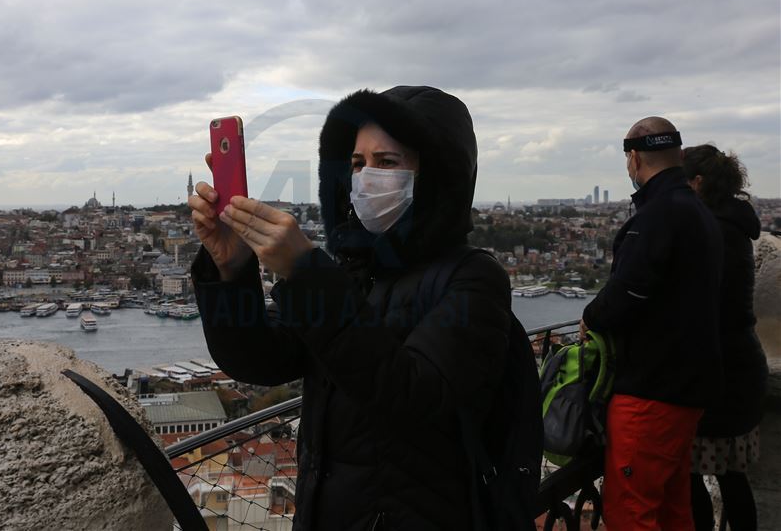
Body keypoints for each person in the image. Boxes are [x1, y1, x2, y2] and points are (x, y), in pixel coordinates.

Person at [189, 86, 526, 530]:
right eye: (356, 163)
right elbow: (260, 358)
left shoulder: (471, 279)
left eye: (386, 162)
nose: (366, 177)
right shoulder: (352, 272)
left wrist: (308, 273)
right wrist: (232, 271)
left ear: (439, 177)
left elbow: (417, 400)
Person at [580, 117, 724, 530]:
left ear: (634, 158)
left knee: (633, 510)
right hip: (687, 386)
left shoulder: (657, 216)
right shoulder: (697, 212)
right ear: (679, 156)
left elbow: (629, 293)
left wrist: (591, 316)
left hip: (651, 390)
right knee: (672, 506)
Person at [683, 144, 768, 531]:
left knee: (690, 476)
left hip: (716, 370)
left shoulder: (709, 230)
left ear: (697, 183)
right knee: (732, 478)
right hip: (740, 363)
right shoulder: (733, 225)